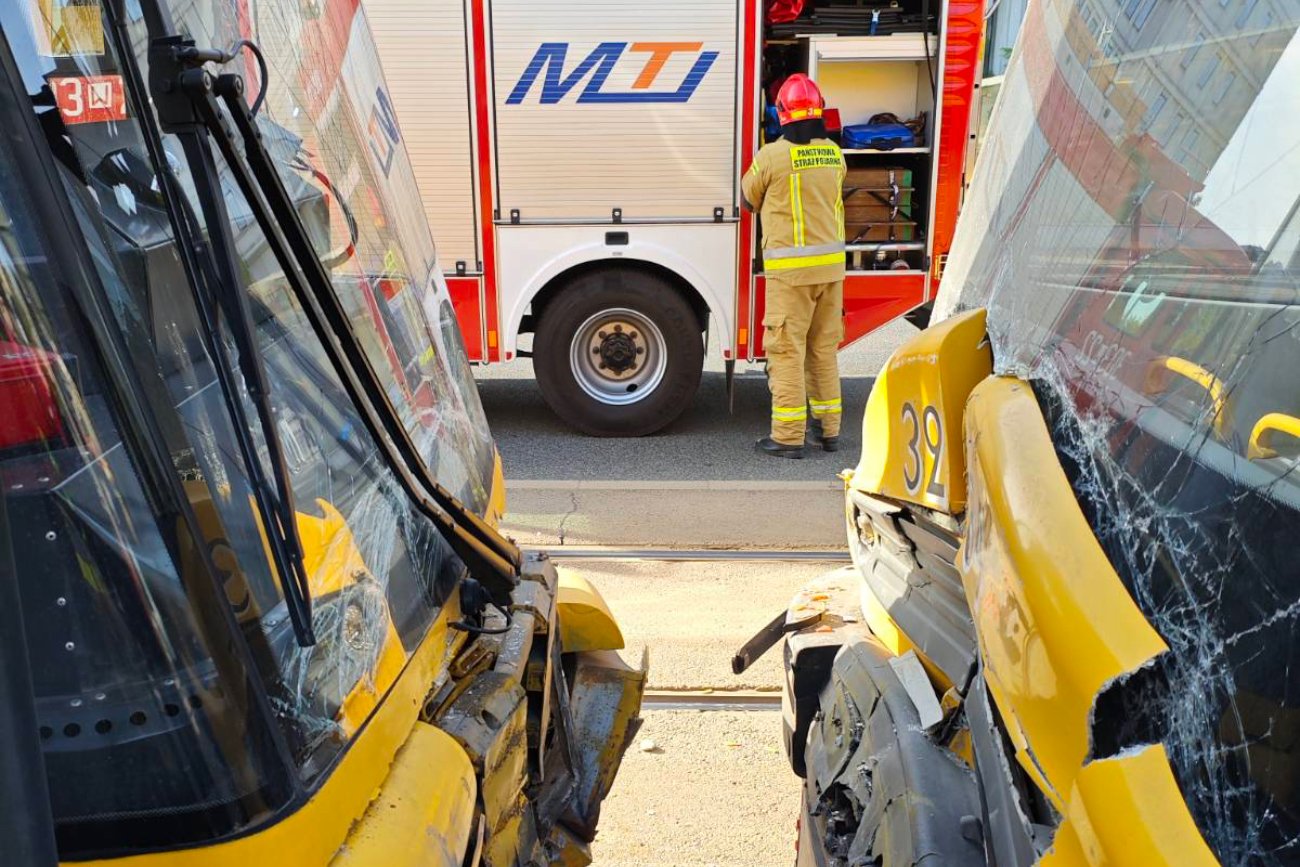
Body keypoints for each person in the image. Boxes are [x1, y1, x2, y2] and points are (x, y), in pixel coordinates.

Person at [741, 74, 846, 459]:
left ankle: (787, 437)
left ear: (782, 112)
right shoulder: (834, 153)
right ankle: (828, 431)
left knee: (786, 352)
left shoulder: (772, 156)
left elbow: (748, 199)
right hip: (831, 273)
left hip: (791, 275)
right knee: (823, 350)